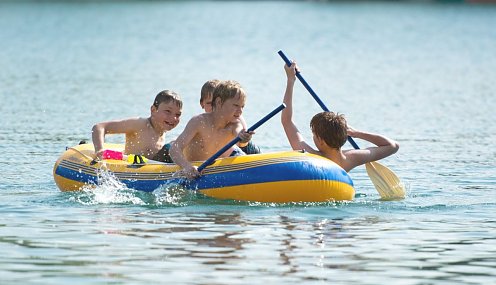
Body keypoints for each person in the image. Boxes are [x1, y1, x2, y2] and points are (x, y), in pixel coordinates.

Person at [281, 62, 399, 172]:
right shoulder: (351, 158)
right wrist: (356, 133)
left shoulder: (312, 156)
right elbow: (392, 146)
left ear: (321, 141)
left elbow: (287, 121)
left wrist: (290, 80)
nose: (313, 137)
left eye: (314, 135)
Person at [170, 80, 254, 179]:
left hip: (216, 168)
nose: (240, 111)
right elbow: (174, 148)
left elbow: (239, 133)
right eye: (236, 105)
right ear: (218, 102)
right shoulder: (199, 122)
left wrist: (245, 137)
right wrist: (187, 167)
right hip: (193, 168)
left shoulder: (234, 125)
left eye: (242, 107)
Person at [92, 90, 182, 163]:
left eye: (178, 114)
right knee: (170, 147)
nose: (173, 118)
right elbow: (99, 127)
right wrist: (99, 150)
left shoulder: (162, 130)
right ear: (153, 110)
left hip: (151, 166)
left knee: (177, 144)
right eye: (167, 111)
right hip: (132, 169)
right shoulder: (139, 124)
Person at [200, 79, 261, 155]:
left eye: (215, 102)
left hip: (243, 146)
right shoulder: (202, 122)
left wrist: (243, 137)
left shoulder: (234, 118)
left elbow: (240, 133)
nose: (213, 106)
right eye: (210, 103)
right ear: (202, 104)